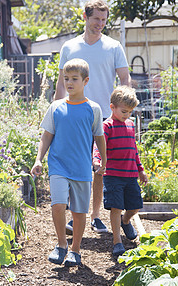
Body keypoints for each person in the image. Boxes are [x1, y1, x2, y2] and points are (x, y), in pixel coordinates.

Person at [54, 0, 131, 234]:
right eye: (96, 19)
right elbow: (61, 82)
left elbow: (125, 80)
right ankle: (73, 216)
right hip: (73, 116)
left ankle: (96, 216)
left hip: (105, 118)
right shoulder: (69, 46)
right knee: (71, 166)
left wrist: (124, 112)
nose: (100, 24)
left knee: (99, 168)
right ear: (86, 18)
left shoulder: (114, 47)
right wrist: (56, 111)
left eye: (104, 20)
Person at [31, 58, 107, 266]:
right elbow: (46, 136)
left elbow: (99, 137)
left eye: (74, 79)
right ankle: (62, 244)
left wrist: (103, 160)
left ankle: (75, 250)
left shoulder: (93, 109)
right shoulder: (55, 107)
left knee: (79, 212)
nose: (69, 83)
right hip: (58, 165)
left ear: (86, 81)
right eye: (66, 78)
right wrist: (39, 159)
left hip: (82, 167)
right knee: (57, 205)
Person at [92, 86, 148, 256]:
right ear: (112, 107)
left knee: (135, 207)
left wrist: (141, 170)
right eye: (124, 111)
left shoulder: (130, 125)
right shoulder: (107, 126)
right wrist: (97, 161)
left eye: (130, 112)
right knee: (116, 207)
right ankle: (117, 241)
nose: (127, 115)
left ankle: (126, 220)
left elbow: (134, 150)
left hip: (130, 174)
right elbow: (98, 146)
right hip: (113, 175)